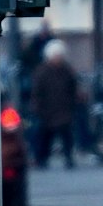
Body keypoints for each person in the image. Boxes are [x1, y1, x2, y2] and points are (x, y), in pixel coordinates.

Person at [30, 40, 80, 169]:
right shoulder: (42, 72)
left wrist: (73, 102)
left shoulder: (67, 71)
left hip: (64, 109)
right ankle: (42, 159)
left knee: (66, 136)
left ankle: (68, 158)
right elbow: (37, 91)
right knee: (45, 136)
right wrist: (37, 107)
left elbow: (73, 88)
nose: (58, 59)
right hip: (47, 110)